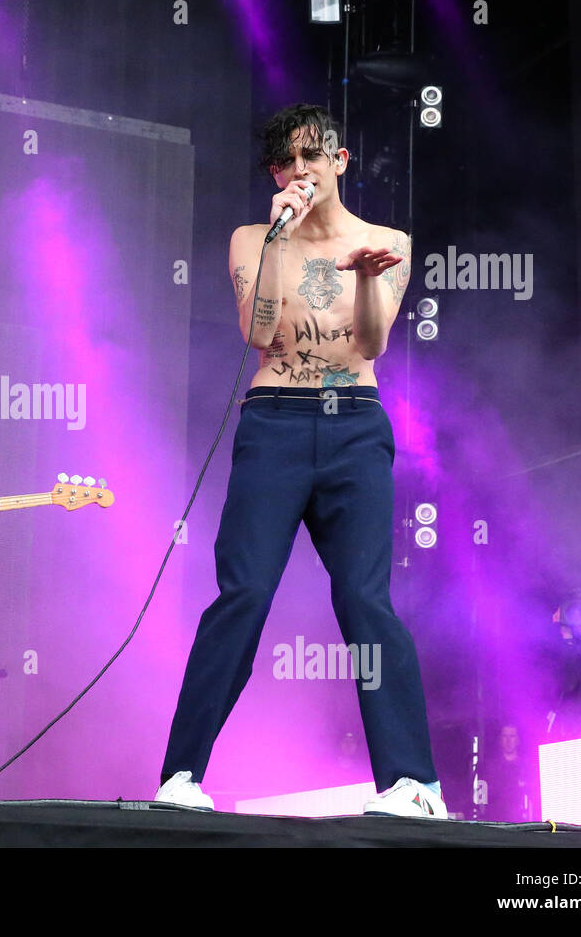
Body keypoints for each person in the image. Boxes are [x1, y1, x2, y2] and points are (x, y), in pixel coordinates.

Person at [156, 104, 443, 816]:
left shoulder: (388, 239)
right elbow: (258, 332)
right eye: (288, 161)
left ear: (340, 161)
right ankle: (181, 774)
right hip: (275, 419)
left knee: (364, 598)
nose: (302, 170)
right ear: (275, 174)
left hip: (354, 423)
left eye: (314, 156)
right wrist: (279, 242)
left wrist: (372, 279)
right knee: (244, 592)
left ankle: (413, 783)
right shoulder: (253, 237)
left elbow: (371, 346)